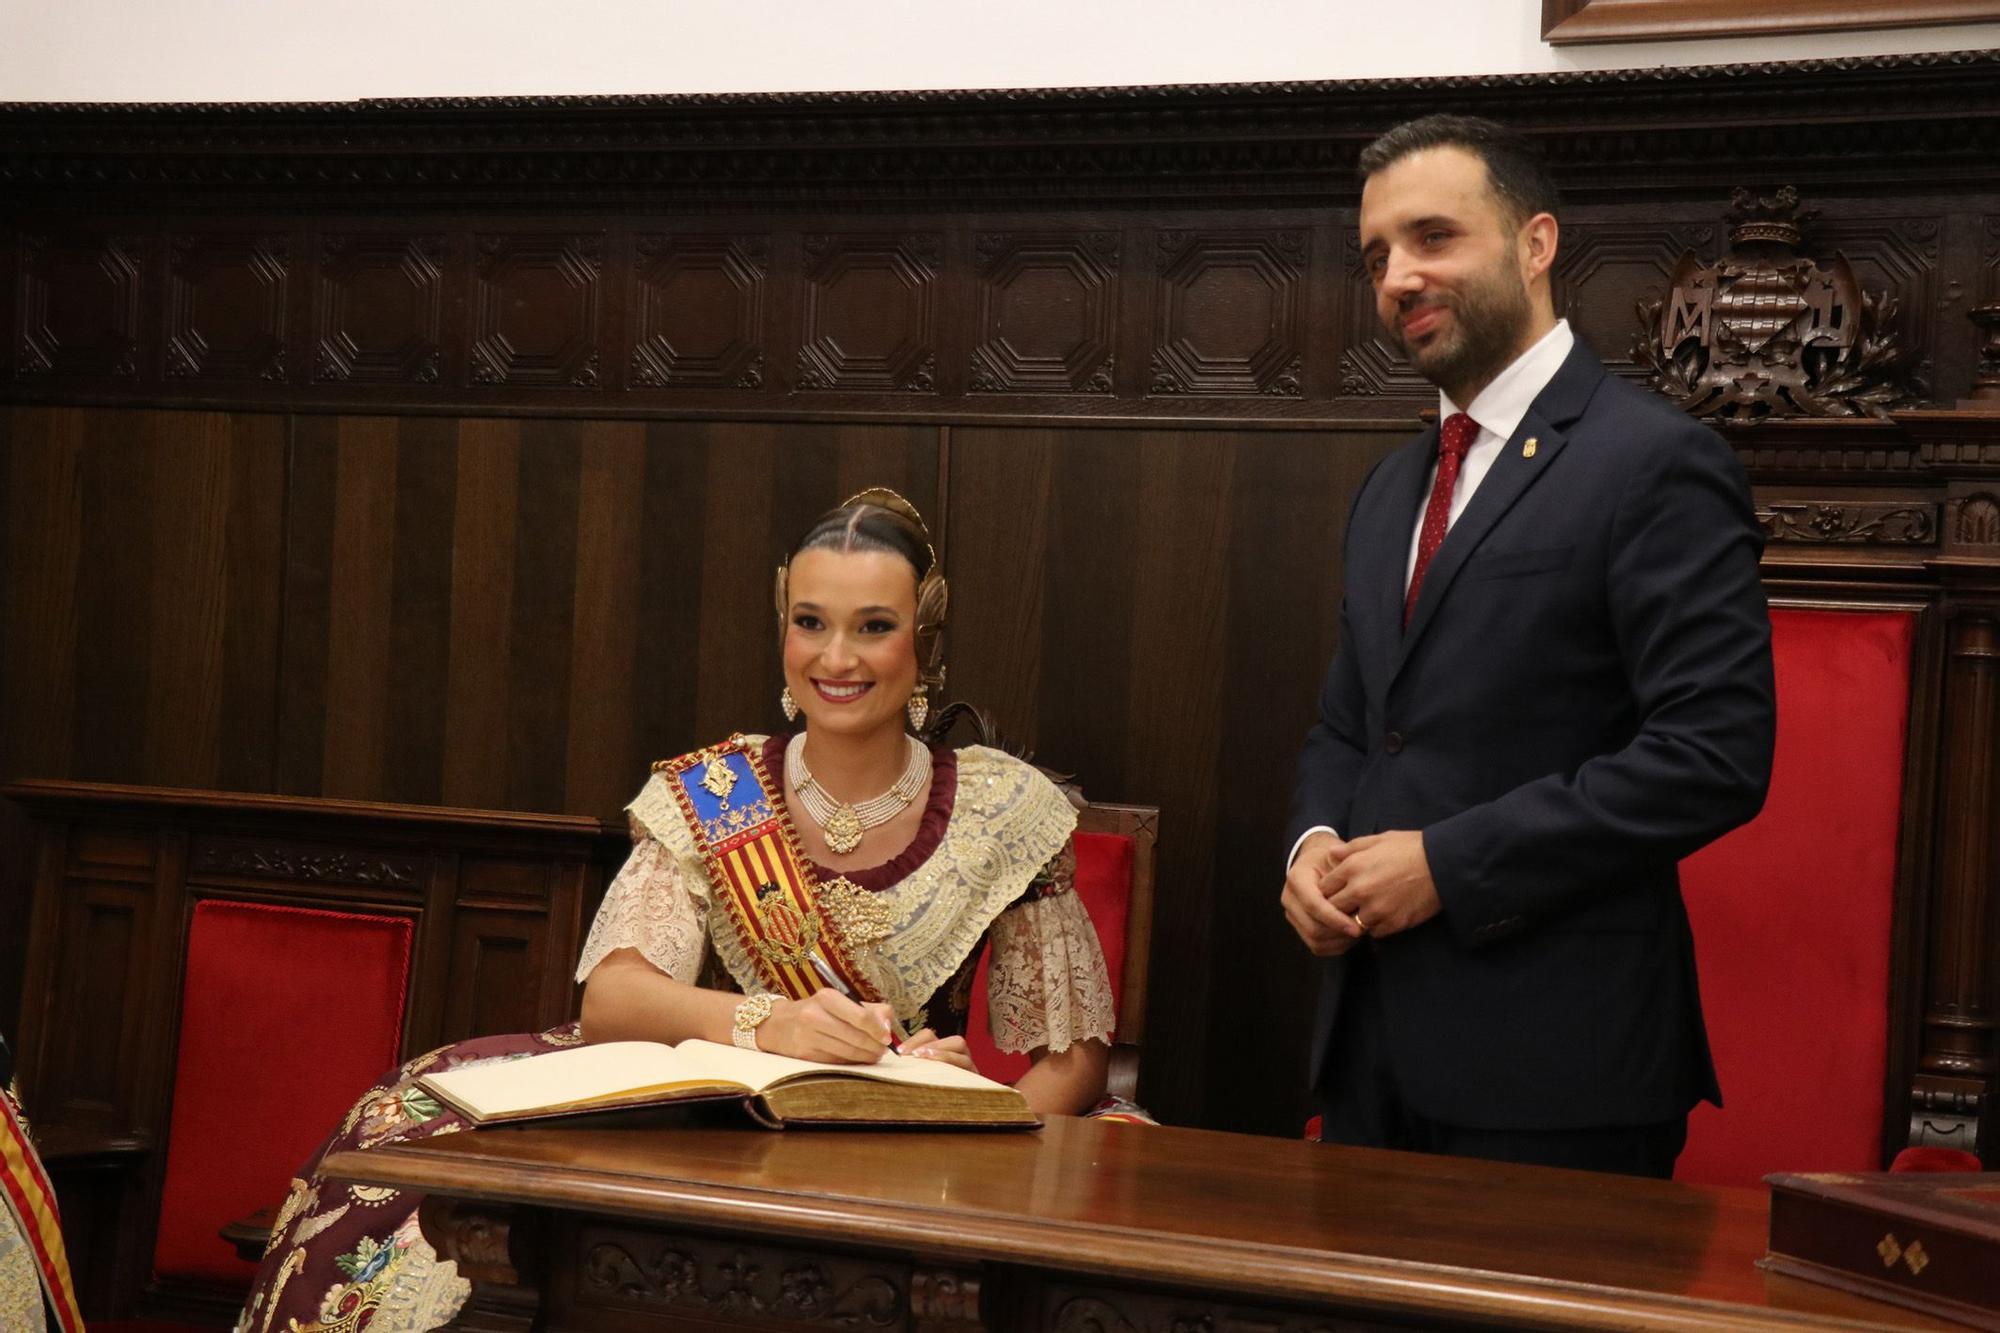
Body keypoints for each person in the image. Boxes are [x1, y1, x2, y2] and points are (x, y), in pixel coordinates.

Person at [237, 489, 1124, 1333]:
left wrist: (966, 1114)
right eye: (810, 622)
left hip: (913, 1155)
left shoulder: (1005, 809)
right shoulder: (713, 791)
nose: (836, 659)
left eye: (873, 627)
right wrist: (769, 1023)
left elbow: (1075, 1059)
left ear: (924, 641)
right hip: (727, 1139)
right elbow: (613, 997)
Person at [1281, 114, 1776, 1179]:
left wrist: (1448, 866)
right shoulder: (1389, 489)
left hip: (1561, 1076)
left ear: (1535, 243)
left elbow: (1713, 756)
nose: (1397, 277)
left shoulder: (1654, 462)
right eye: (1376, 257)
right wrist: (1310, 844)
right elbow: (1351, 726)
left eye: (1432, 237)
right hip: (1367, 1050)